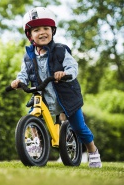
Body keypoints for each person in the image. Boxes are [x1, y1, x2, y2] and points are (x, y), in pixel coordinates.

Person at [10, 7, 102, 168]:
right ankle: (36, 145)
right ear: (30, 35)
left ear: (52, 31)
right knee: (31, 117)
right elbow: (24, 73)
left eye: (46, 28)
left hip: (66, 96)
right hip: (43, 97)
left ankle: (92, 151)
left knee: (79, 127)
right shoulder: (28, 56)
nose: (42, 32)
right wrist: (18, 81)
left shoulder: (60, 50)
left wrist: (65, 73)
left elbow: (72, 66)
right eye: (37, 30)